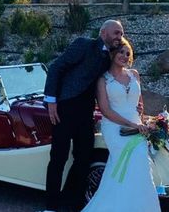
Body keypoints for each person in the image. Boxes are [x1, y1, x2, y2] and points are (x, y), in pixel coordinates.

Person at [42, 19, 124, 212]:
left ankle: (72, 202)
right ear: (103, 33)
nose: (119, 37)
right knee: (59, 157)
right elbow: (56, 67)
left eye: (121, 34)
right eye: (116, 33)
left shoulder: (111, 56)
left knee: (83, 157)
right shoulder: (83, 44)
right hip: (65, 108)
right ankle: (51, 206)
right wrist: (52, 101)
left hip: (86, 112)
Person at [82, 39, 159, 212]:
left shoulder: (134, 75)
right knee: (125, 166)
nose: (125, 56)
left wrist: (140, 116)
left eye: (127, 53)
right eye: (121, 52)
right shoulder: (103, 80)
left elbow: (139, 105)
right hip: (115, 129)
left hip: (137, 128)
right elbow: (105, 110)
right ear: (112, 53)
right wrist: (131, 123)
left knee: (140, 168)